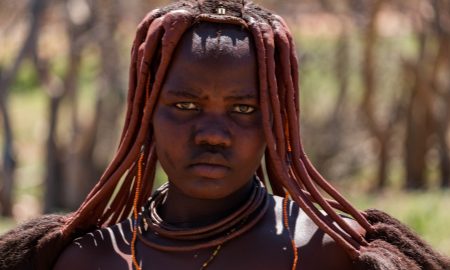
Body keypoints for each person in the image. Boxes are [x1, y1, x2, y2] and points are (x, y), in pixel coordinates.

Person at [0, 1, 448, 269]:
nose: (213, 135)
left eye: (245, 109)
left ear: (278, 120)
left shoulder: (329, 253)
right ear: (145, 115)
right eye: (185, 106)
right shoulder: (88, 260)